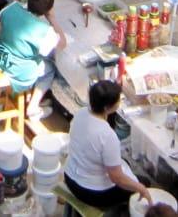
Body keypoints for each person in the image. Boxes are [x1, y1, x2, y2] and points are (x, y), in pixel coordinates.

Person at [64, 80, 151, 209]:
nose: (119, 101)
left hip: (69, 176)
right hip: (89, 192)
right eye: (118, 100)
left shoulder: (81, 113)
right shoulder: (107, 136)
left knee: (124, 164)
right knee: (144, 182)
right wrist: (141, 188)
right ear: (106, 107)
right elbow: (117, 178)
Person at [0, 0, 65, 122]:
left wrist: (13, 40)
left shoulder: (11, 8)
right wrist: (52, 18)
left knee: (35, 57)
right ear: (47, 10)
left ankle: (9, 92)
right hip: (19, 72)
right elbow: (62, 44)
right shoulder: (45, 30)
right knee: (50, 68)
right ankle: (33, 107)